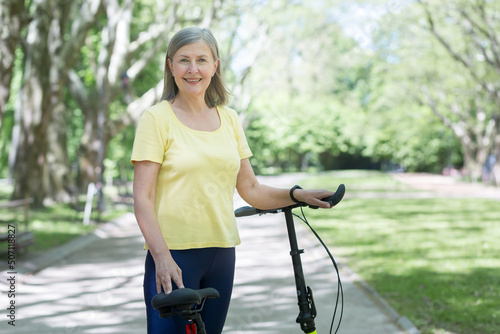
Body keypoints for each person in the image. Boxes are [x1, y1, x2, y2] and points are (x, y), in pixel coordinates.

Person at [131, 26, 336, 334]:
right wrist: (161, 257)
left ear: (215, 66)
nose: (193, 69)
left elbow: (251, 189)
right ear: (170, 65)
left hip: (221, 254)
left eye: (202, 60)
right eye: (184, 60)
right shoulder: (156, 119)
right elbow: (142, 198)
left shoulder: (229, 119)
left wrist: (297, 195)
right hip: (173, 255)